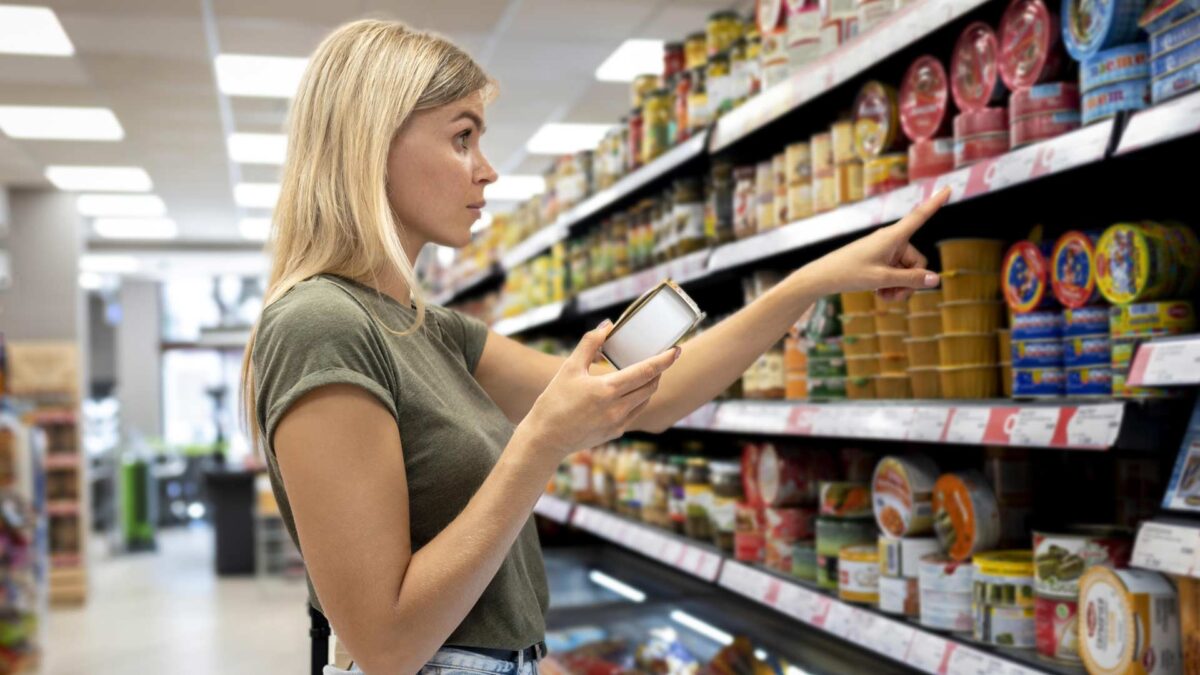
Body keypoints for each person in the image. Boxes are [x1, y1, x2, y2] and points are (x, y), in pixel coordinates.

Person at [241, 18, 949, 675]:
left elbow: (654, 396)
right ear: (373, 144)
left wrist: (811, 282)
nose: (486, 169)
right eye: (462, 137)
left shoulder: (426, 326)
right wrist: (541, 442)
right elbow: (385, 642)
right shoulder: (322, 325)